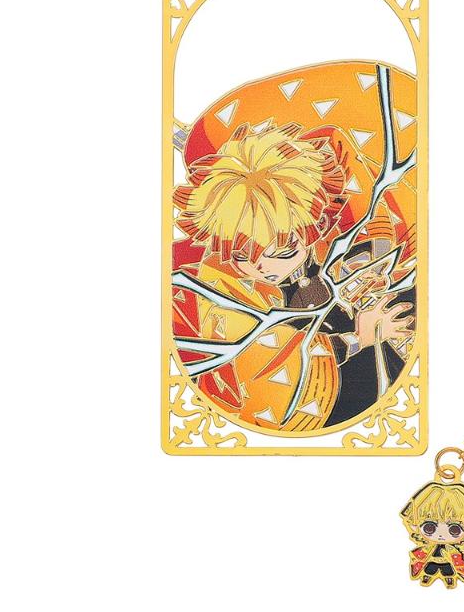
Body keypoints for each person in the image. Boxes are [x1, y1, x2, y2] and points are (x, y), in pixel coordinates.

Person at [172, 119, 415, 431]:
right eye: (242, 256)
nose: (261, 268)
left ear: (317, 228)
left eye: (281, 253)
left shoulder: (327, 237)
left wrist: (369, 266)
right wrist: (358, 339)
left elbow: (338, 146)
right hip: (314, 399)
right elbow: (257, 361)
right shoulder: (219, 281)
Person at [400, 480, 464, 588]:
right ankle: (426, 577)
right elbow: (421, 556)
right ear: (415, 524)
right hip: (432, 560)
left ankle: (449, 580)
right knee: (429, 569)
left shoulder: (452, 550)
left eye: (454, 530)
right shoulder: (427, 548)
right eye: (429, 528)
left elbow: (456, 559)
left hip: (447, 562)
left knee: (448, 571)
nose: (441, 535)